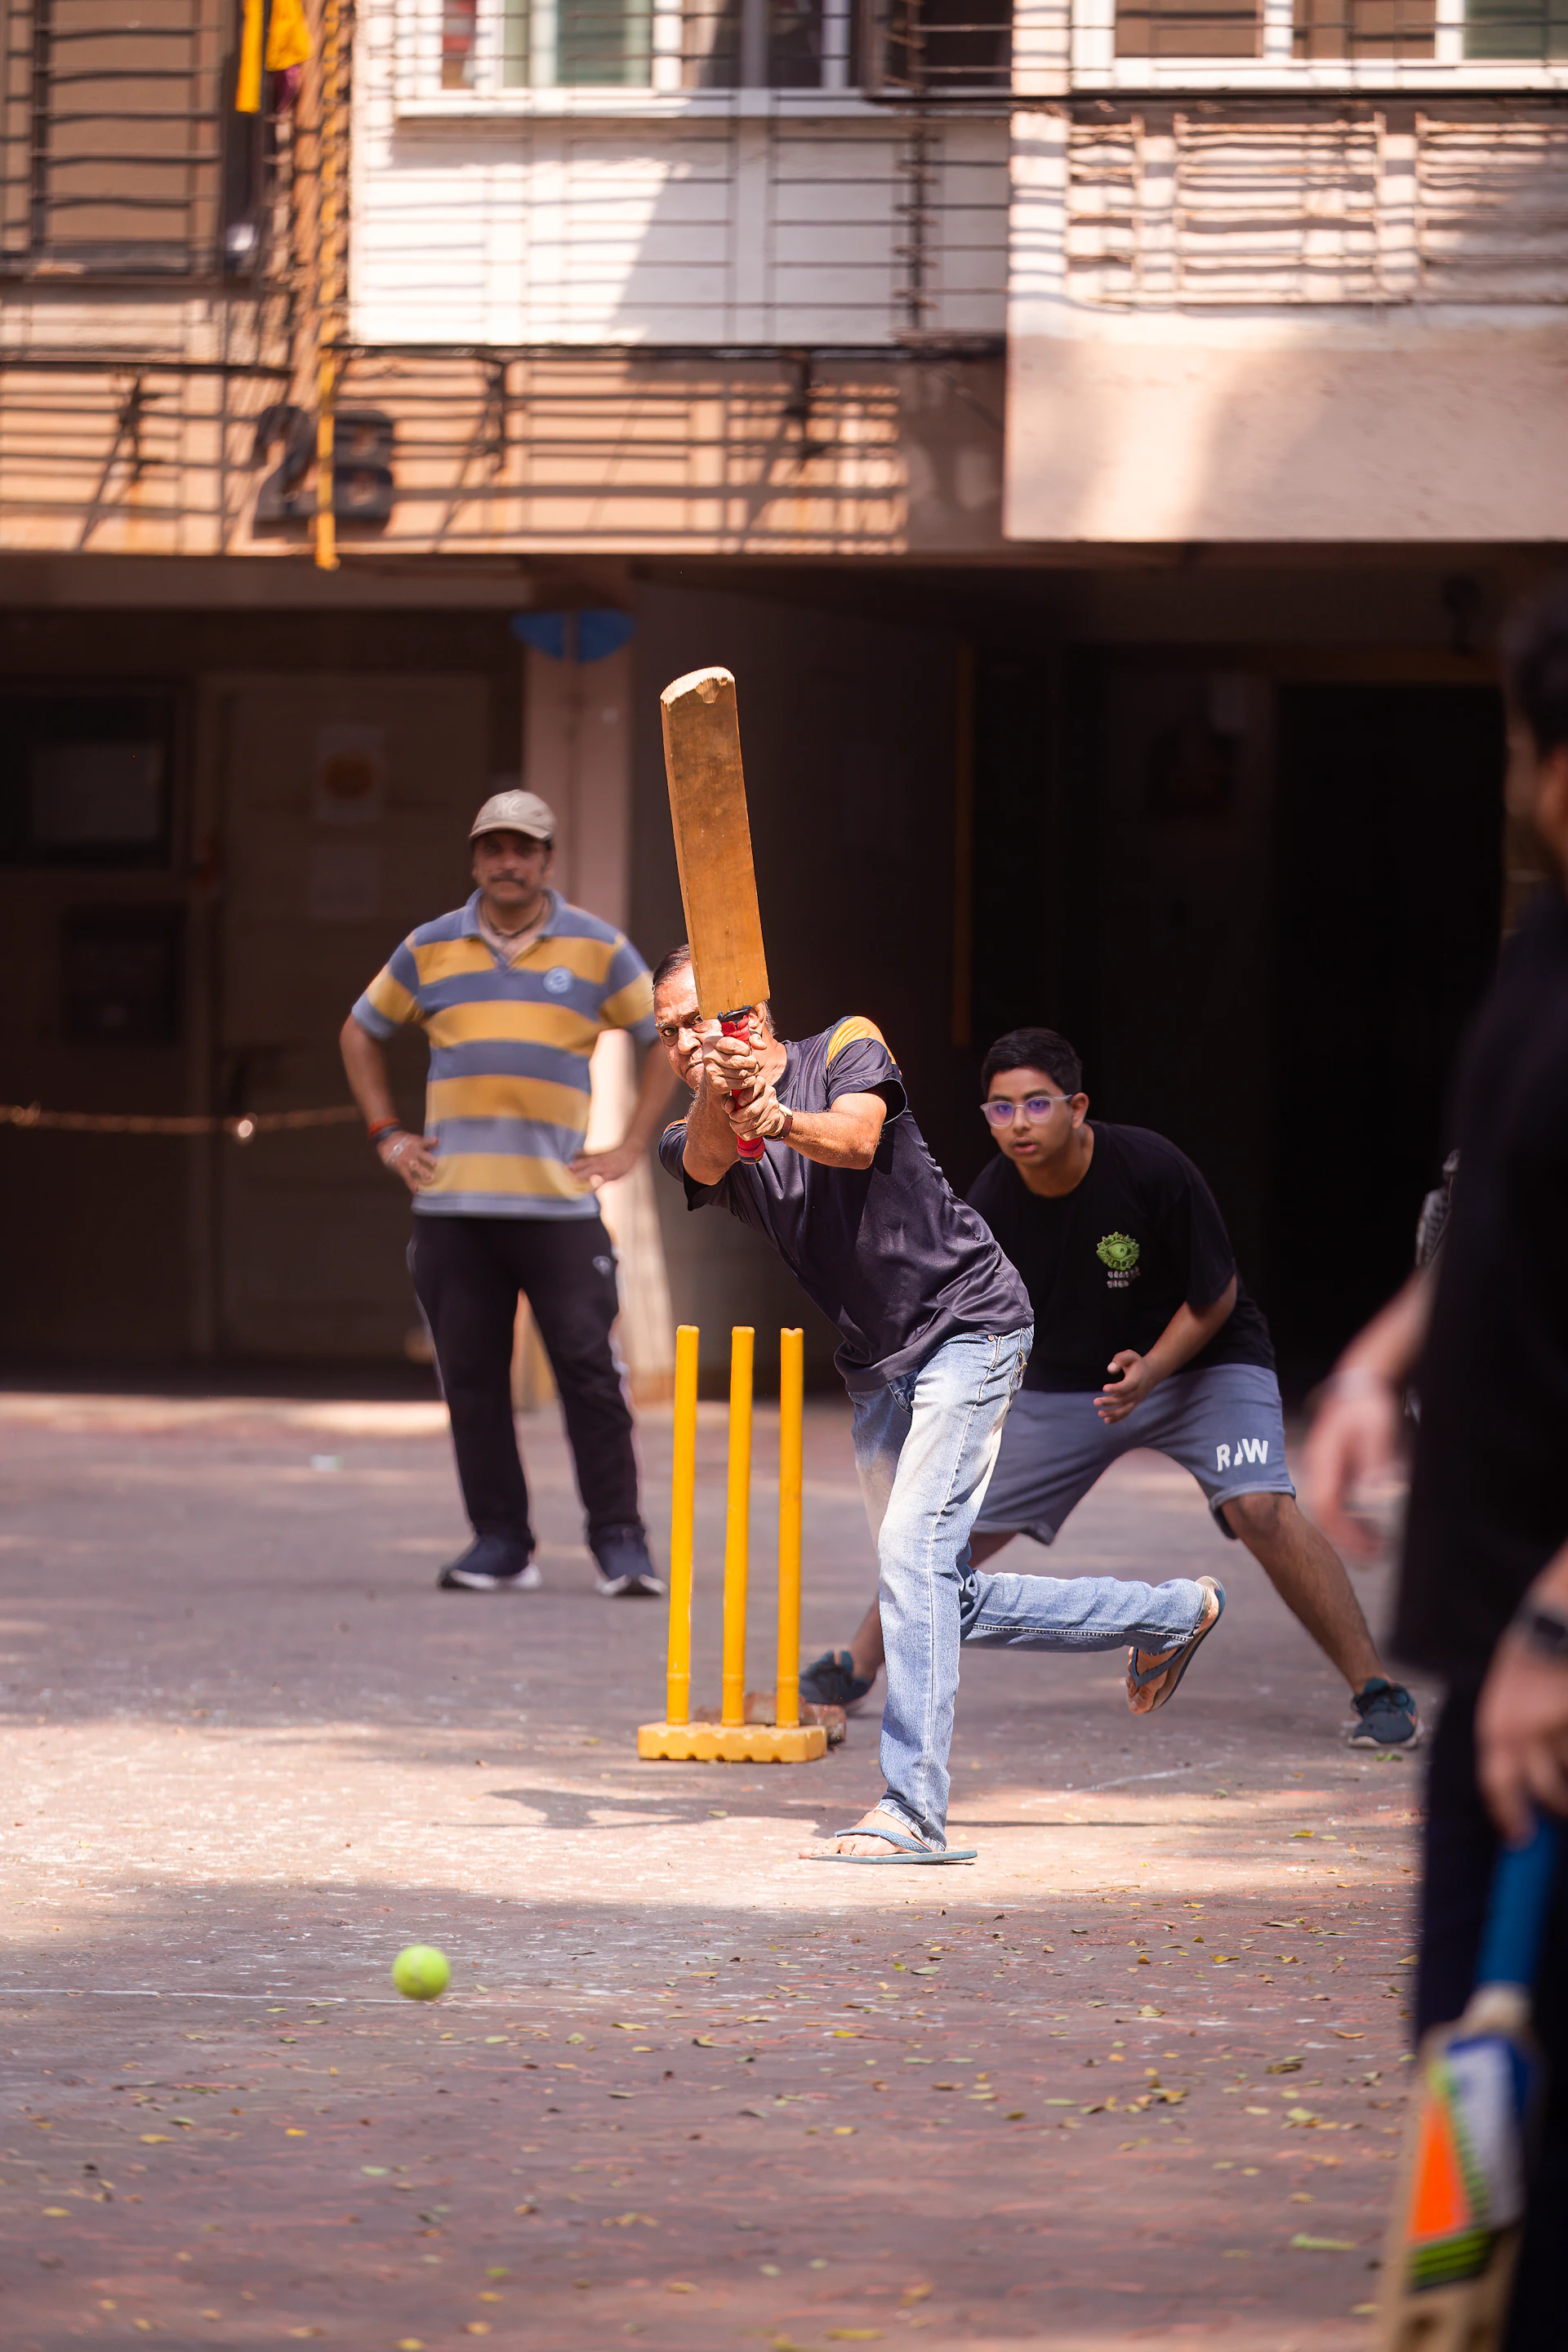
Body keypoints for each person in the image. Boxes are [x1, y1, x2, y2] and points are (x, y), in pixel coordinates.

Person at [652, 948, 1227, 1864]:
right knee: (934, 1594)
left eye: (699, 1019)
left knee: (910, 1561)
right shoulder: (688, 1135)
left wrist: (780, 1114)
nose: (684, 1041)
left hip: (970, 1325)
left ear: (749, 1011)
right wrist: (734, 1098)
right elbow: (709, 1154)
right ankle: (1166, 1615)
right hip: (877, 1368)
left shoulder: (847, 1043)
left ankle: (912, 1808)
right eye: (668, 1031)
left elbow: (856, 1139)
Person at [1303, 579, 1568, 2351]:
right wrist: (1378, 1363)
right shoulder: (1545, 948)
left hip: (1552, 1644)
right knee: (1468, 2065)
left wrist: (1560, 1620)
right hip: (1497, 1644)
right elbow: (1504, 1218)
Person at [801, 1024, 1419, 1750]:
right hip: (1074, 1387)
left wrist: (1153, 1368)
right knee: (949, 1524)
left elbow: (1216, 1295)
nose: (1020, 1123)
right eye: (1001, 1108)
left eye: (1038, 1104)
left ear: (1077, 1107)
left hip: (1203, 1366)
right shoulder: (992, 1196)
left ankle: (1376, 1689)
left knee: (1261, 1509)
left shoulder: (1151, 1168)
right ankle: (858, 1663)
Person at [341, 787, 672, 1598]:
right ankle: (500, 1542)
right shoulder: (429, 948)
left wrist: (632, 1145)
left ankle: (621, 1544)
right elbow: (359, 1031)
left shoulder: (597, 948)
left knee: (591, 1378)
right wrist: (388, 1134)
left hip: (558, 1212)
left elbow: (665, 1037)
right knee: (473, 1382)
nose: (508, 862)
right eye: (493, 848)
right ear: (475, 859)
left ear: (547, 860)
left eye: (524, 849)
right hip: (454, 1212)